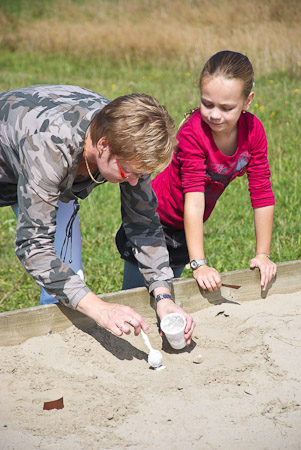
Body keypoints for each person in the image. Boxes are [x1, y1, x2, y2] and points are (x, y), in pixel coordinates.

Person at [0, 84, 195, 342]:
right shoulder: (48, 147)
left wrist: (163, 296)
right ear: (103, 145)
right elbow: (34, 245)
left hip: (52, 174)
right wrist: (100, 308)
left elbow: (143, 224)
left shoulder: (126, 140)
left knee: (70, 281)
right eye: (130, 173)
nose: (135, 182)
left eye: (142, 174)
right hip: (23, 154)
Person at [117, 50, 277, 294]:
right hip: (152, 218)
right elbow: (194, 198)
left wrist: (263, 255)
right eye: (207, 103)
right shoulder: (193, 133)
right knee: (137, 294)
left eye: (226, 108)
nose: (214, 114)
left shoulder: (253, 132)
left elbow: (262, 193)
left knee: (174, 291)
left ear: (247, 101)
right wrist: (199, 264)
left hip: (185, 227)